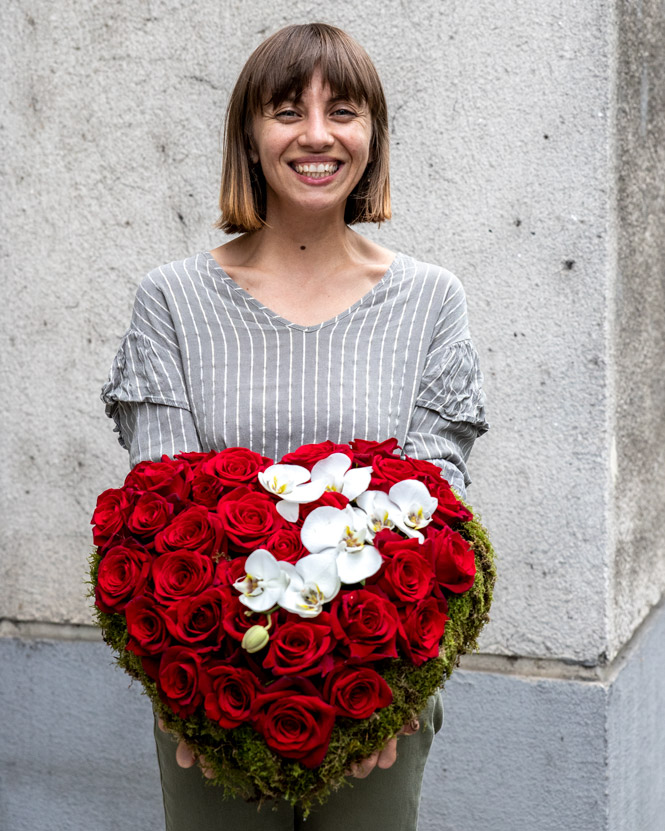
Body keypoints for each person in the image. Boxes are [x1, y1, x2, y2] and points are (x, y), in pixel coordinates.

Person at [101, 22, 488, 831]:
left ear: (372, 135)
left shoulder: (429, 301)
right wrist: (198, 689)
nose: (317, 134)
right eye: (286, 109)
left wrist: (390, 694)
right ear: (249, 134)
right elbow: (160, 511)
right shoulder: (172, 299)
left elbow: (437, 512)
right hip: (212, 701)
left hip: (379, 705)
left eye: (342, 110)